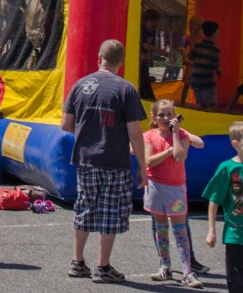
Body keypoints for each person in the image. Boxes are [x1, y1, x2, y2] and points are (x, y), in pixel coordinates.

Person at [62, 39, 147, 284]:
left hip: (86, 158)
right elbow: (134, 132)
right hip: (115, 160)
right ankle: (103, 266)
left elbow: (66, 124)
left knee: (84, 208)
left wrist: (88, 132)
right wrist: (143, 165)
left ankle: (77, 262)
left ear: (99, 58)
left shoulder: (80, 85)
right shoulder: (126, 89)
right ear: (121, 61)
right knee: (110, 213)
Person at [143, 99, 205, 288]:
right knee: (160, 228)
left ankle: (187, 271)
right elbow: (149, 161)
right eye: (161, 114)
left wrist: (176, 134)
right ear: (154, 117)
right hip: (155, 186)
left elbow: (179, 157)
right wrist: (168, 151)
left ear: (174, 116)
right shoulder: (149, 135)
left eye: (169, 114)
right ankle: (165, 267)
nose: (165, 118)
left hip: (175, 188)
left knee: (180, 230)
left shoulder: (182, 134)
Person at [202, 121, 243, 293]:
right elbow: (214, 199)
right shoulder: (227, 168)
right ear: (236, 144)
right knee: (237, 280)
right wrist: (211, 231)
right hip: (235, 234)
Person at [188, 21, 221, 111]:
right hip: (207, 82)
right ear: (214, 33)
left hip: (195, 81)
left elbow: (190, 57)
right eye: (218, 32)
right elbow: (215, 64)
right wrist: (218, 71)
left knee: (201, 105)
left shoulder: (197, 45)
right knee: (211, 105)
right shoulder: (215, 49)